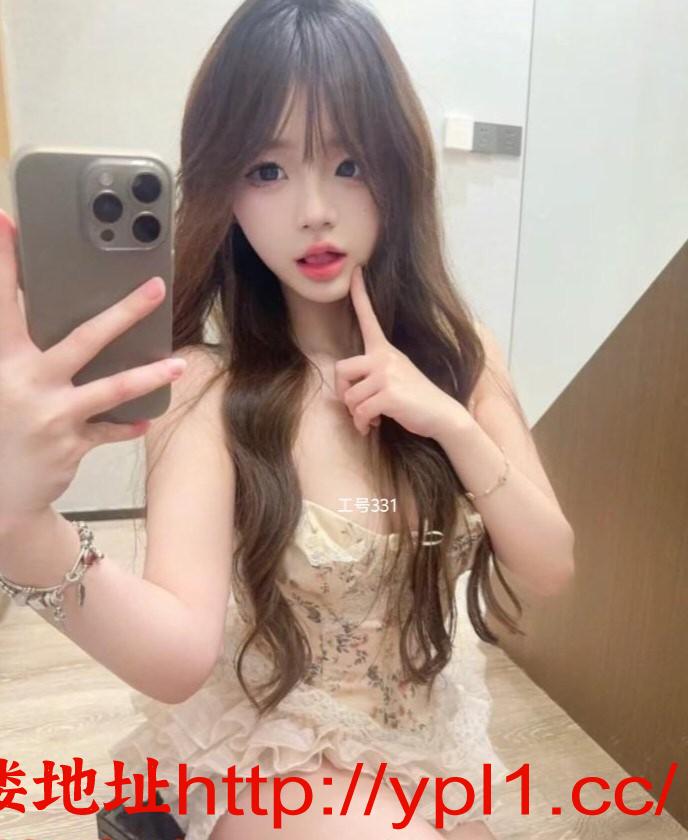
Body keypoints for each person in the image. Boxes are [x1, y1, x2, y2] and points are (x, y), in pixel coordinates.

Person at [0, 1, 576, 838]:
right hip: (277, 748)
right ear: (225, 189)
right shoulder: (210, 388)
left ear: (400, 168)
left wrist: (452, 424)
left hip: (427, 748)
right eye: (267, 170)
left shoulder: (463, 356)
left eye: (350, 163)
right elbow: (177, 657)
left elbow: (551, 567)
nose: (314, 209)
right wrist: (21, 524)